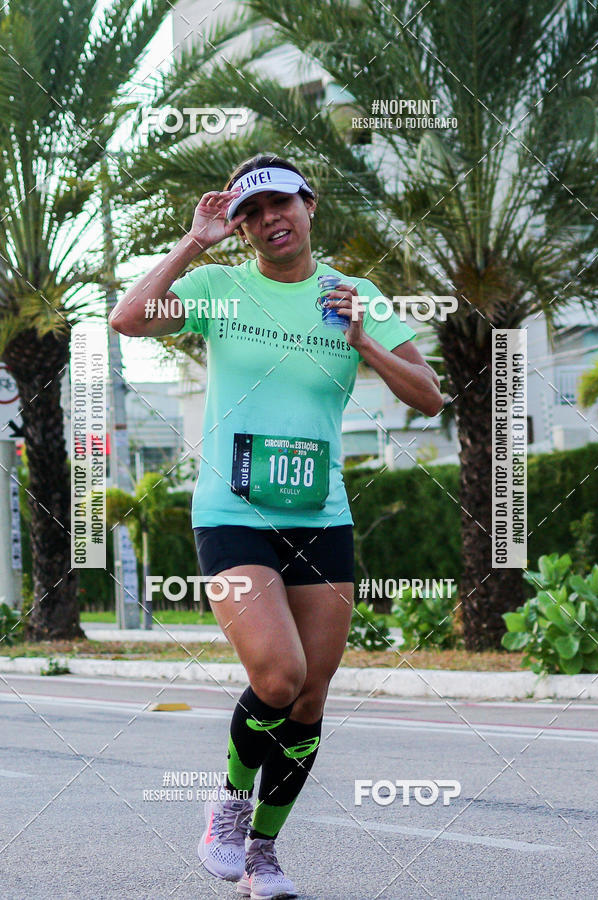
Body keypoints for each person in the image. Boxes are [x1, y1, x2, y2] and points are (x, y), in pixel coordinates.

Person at [109, 153, 443, 899]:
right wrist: (194, 242)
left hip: (322, 517)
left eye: (280, 205)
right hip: (234, 514)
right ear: (240, 225)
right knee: (278, 674)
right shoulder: (220, 290)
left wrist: (363, 343)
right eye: (250, 214)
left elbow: (429, 398)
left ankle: (263, 853)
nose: (269, 221)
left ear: (308, 205)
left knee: (311, 697)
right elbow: (127, 319)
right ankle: (228, 805)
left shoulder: (355, 296)